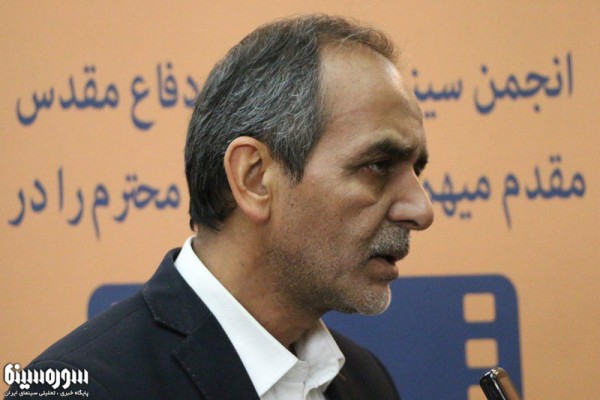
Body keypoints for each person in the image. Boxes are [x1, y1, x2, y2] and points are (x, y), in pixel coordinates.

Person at [6, 14, 433, 400]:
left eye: (416, 171)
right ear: (253, 178)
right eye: (378, 165)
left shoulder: (366, 379)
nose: (421, 210)